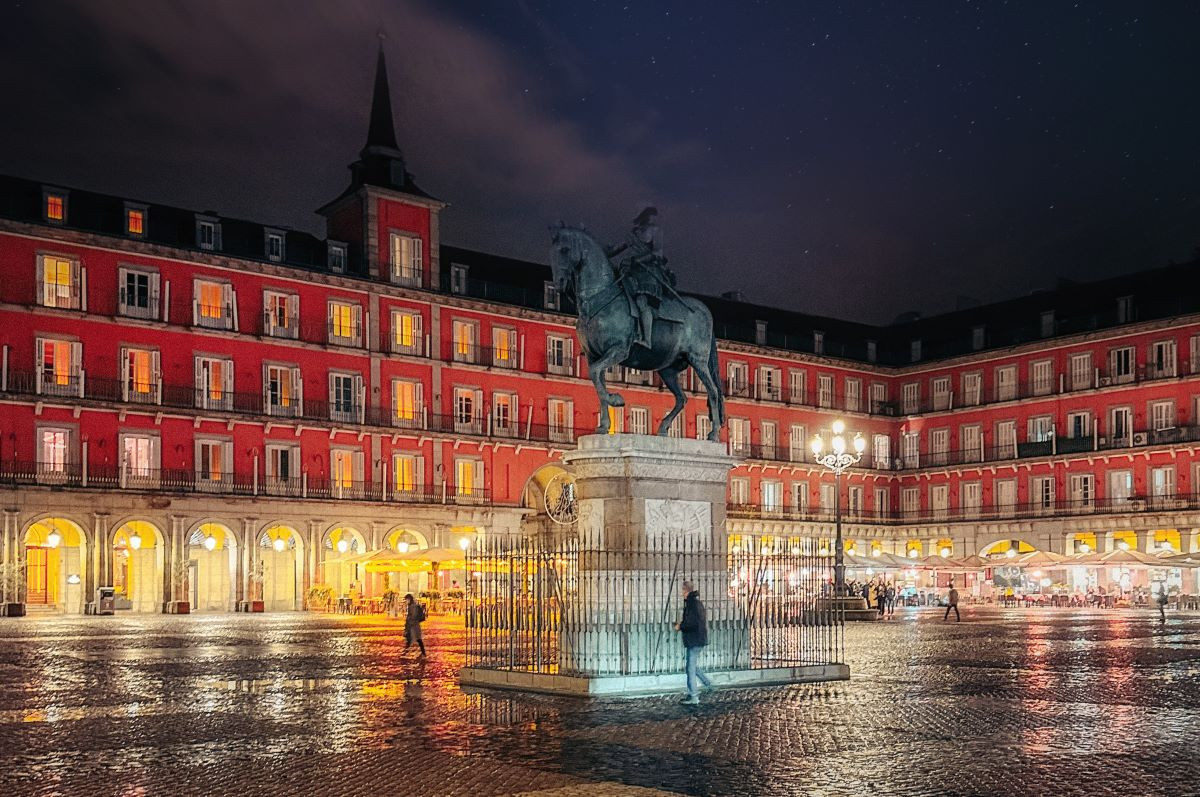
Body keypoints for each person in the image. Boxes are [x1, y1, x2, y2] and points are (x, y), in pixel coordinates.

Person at [606, 206, 674, 348]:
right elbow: (616, 249)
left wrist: (639, 259)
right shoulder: (634, 233)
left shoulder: (656, 231)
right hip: (630, 271)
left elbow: (658, 252)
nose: (650, 219)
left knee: (642, 301)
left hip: (649, 274)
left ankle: (647, 339)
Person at [675, 580, 713, 704]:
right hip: (698, 638)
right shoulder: (696, 603)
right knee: (691, 666)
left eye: (682, 590)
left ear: (686, 591)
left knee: (690, 668)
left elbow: (692, 623)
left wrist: (680, 626)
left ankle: (694, 696)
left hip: (694, 639)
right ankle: (708, 683)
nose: (681, 593)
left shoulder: (691, 604)